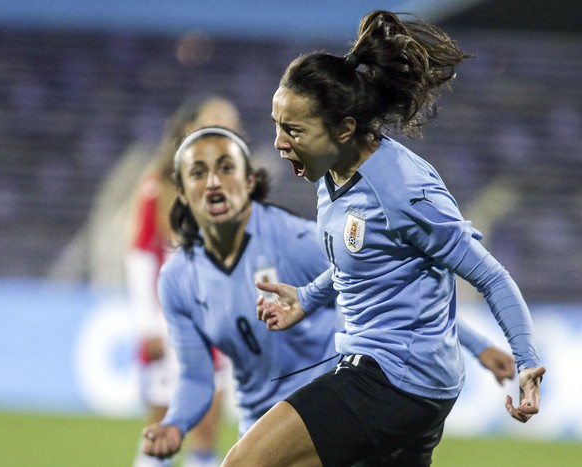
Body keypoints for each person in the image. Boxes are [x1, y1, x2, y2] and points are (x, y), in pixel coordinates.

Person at [223, 10, 545, 467]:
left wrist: (526, 360)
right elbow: (360, 268)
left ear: (344, 128)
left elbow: (491, 276)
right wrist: (306, 299)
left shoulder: (404, 192)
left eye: (293, 129)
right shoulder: (330, 172)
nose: (278, 142)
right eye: (277, 124)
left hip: (392, 379)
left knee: (245, 464)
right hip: (415, 386)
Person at [139, 127, 516, 463]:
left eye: (225, 168)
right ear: (182, 193)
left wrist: (477, 344)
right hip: (262, 427)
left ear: (250, 180)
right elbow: (196, 376)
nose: (213, 182)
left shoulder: (293, 241)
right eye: (198, 173)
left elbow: (390, 288)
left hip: (331, 413)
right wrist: (175, 424)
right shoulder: (178, 280)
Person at [127, 96, 240, 467]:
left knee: (207, 430)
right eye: (216, 120)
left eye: (231, 122)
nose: (225, 127)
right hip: (171, 323)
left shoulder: (236, 189)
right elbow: (141, 257)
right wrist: (149, 325)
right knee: (162, 428)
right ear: (189, 129)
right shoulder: (158, 186)